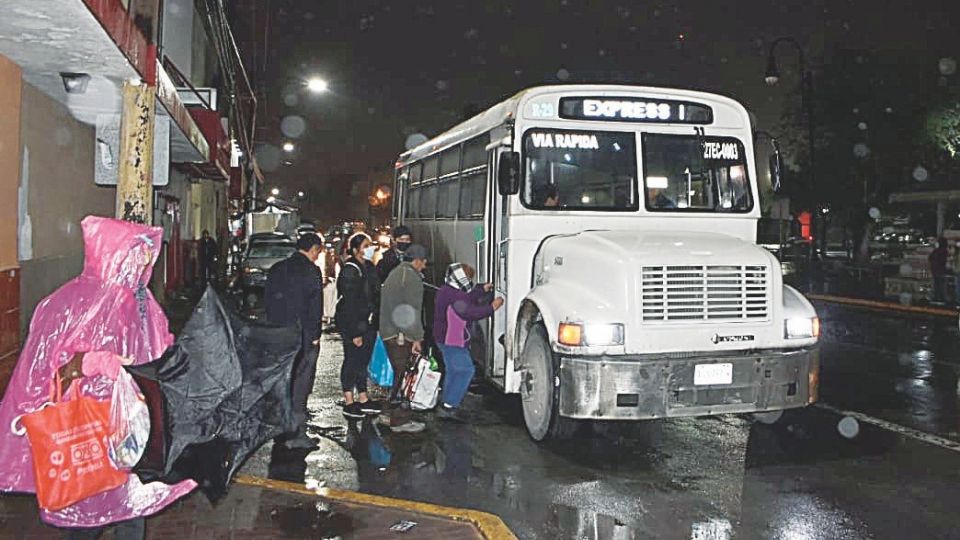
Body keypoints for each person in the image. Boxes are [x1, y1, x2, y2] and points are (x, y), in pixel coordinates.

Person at [264, 232, 325, 449]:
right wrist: (315, 336)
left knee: (283, 382)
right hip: (302, 336)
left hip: (279, 335)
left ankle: (280, 428)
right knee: (301, 385)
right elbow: (315, 307)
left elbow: (268, 302)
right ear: (314, 249)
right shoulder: (311, 271)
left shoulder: (278, 269)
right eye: (318, 251)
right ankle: (296, 433)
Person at [433, 263, 503, 420]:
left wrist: (480, 289)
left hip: (444, 338)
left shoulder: (448, 289)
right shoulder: (454, 295)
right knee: (466, 370)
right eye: (468, 278)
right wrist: (492, 308)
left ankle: (446, 403)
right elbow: (469, 312)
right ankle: (450, 405)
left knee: (453, 370)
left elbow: (466, 298)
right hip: (452, 339)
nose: (469, 281)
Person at [378, 243, 430, 433]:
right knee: (404, 377)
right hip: (400, 335)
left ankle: (386, 414)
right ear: (416, 261)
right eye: (423, 262)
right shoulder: (412, 279)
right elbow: (412, 311)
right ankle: (400, 421)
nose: (424, 266)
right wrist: (417, 338)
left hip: (389, 331)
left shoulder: (397, 272)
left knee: (398, 376)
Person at [336, 233, 383, 420]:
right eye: (365, 245)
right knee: (352, 360)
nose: (369, 249)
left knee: (363, 361)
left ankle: (363, 397)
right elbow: (350, 303)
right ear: (355, 250)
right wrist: (355, 331)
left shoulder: (369, 267)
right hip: (353, 324)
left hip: (368, 322)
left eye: (370, 245)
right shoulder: (350, 270)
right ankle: (349, 400)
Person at [929, 237, 949, 303]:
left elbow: (930, 258)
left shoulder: (936, 250)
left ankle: (936, 297)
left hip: (935, 270)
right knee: (941, 285)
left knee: (937, 284)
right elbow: (943, 261)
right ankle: (941, 298)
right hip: (940, 270)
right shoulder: (944, 251)